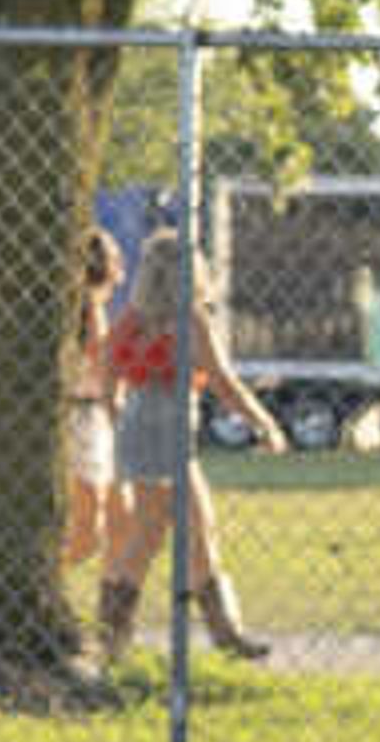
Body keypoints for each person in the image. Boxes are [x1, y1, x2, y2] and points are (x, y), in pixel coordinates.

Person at [95, 222, 282, 666]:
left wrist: (119, 419)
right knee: (179, 529)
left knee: (163, 531)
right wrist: (264, 422)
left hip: (138, 421)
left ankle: (114, 635)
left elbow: (106, 384)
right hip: (171, 425)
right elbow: (222, 381)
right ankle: (221, 632)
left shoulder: (129, 322)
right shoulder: (191, 322)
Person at [61, 221, 124, 591]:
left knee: (96, 524)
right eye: (116, 263)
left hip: (85, 415)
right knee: (90, 532)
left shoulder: (82, 310)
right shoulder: (92, 313)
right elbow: (102, 376)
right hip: (86, 417)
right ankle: (41, 580)